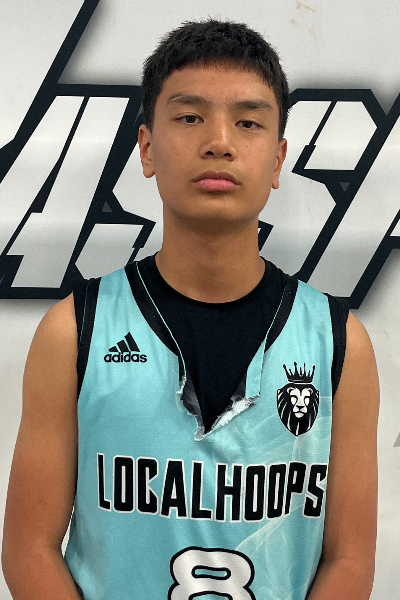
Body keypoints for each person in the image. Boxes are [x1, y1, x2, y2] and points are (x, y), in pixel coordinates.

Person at [2, 19, 379, 600]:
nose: (219, 142)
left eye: (248, 122)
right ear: (147, 148)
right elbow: (28, 548)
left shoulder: (338, 342)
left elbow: (349, 560)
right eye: (189, 117)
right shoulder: (74, 331)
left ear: (279, 160)